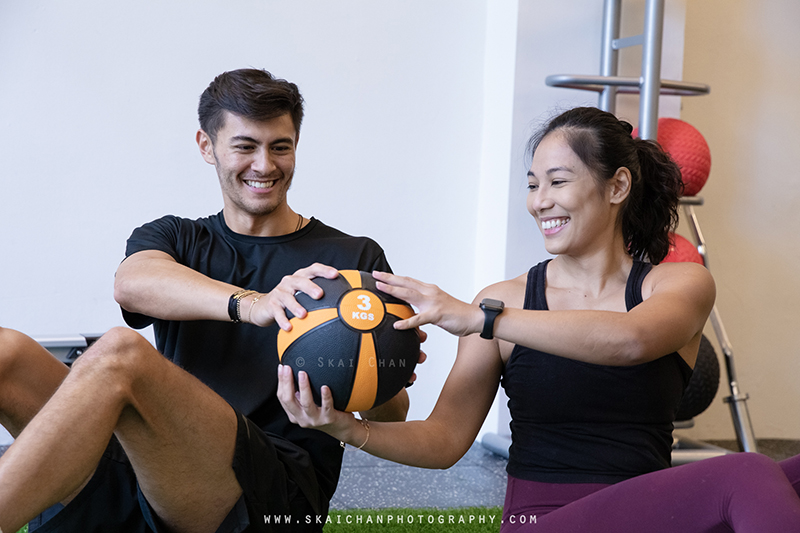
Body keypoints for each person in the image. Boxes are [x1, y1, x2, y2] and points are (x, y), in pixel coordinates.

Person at [279, 106, 800, 532]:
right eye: (533, 185)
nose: (539, 201)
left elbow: (632, 340)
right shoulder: (504, 298)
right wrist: (345, 427)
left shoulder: (678, 284)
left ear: (617, 187)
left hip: (652, 514)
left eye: (557, 181)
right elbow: (443, 441)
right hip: (544, 521)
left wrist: (485, 320)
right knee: (748, 473)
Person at [0, 68, 414, 533]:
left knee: (120, 353)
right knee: (6, 351)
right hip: (153, 472)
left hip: (272, 492)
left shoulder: (350, 258)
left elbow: (392, 414)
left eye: (281, 146)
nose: (264, 165)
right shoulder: (177, 237)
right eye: (245, 146)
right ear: (206, 146)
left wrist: (375, 372)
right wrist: (252, 304)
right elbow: (133, 283)